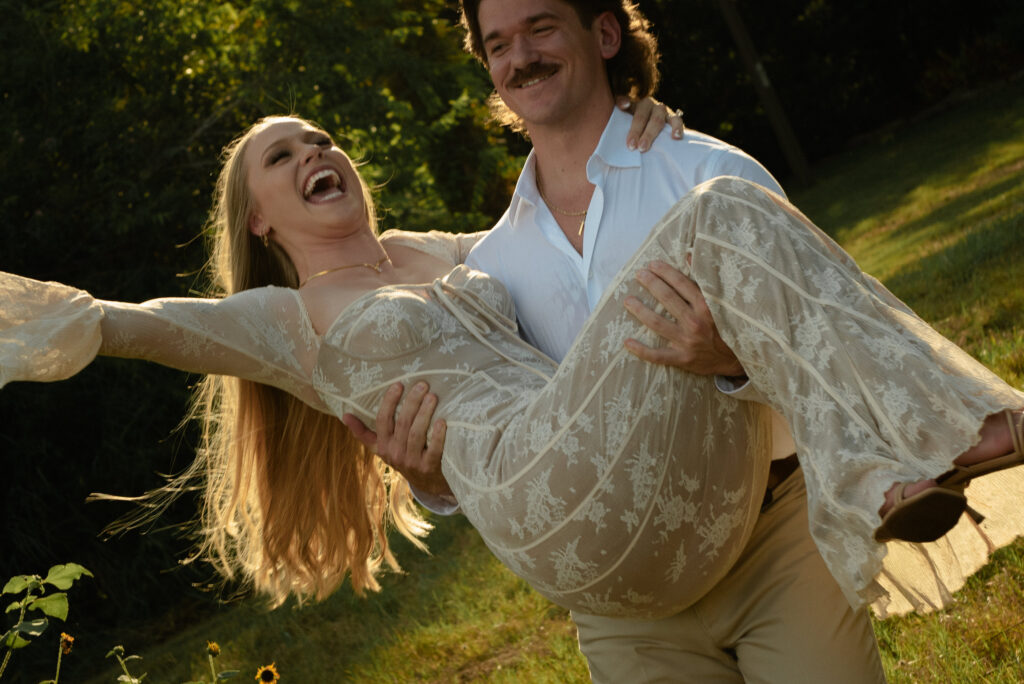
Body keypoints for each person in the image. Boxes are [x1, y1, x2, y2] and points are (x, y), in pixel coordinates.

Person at [342, 0, 1024, 681]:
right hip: (626, 596)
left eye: (541, 28)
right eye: (499, 45)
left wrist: (731, 360)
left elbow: (828, 335)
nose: (521, 58)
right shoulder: (493, 264)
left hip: (774, 536)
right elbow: (517, 436)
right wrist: (436, 480)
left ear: (605, 33)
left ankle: (942, 436)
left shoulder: (705, 175)